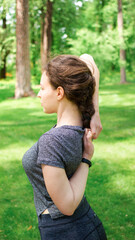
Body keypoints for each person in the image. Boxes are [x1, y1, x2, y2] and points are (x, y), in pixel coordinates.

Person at [22, 54, 107, 240]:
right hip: (86, 225)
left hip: (66, 232)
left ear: (59, 93)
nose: (38, 94)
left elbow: (67, 206)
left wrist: (86, 159)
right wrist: (95, 112)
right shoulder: (80, 125)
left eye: (43, 88)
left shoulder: (52, 140)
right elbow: (88, 60)